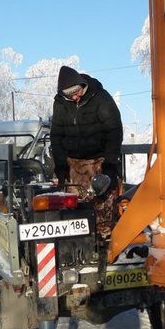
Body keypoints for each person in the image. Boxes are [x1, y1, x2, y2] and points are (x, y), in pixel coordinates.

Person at [50, 65, 123, 239]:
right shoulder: (60, 104)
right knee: (77, 207)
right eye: (69, 94)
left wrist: (110, 165)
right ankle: (82, 242)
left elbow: (115, 131)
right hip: (74, 164)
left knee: (103, 207)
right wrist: (60, 166)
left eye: (76, 91)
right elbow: (57, 136)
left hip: (99, 161)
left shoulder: (101, 98)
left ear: (82, 85)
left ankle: (105, 242)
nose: (74, 96)